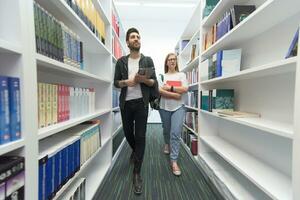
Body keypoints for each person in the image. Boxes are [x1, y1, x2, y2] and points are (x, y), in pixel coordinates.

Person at [113, 27, 157, 194]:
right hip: (126, 103)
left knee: (141, 136)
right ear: (127, 41)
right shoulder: (121, 62)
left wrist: (144, 80)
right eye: (133, 37)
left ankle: (137, 172)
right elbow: (116, 82)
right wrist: (128, 82)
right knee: (127, 133)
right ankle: (136, 151)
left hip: (141, 103)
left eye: (138, 36)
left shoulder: (148, 60)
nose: (136, 39)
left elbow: (154, 83)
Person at [158, 53, 188, 176]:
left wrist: (169, 88)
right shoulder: (162, 76)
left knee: (175, 133)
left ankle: (174, 161)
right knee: (166, 130)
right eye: (170, 59)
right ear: (166, 62)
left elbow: (185, 89)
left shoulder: (182, 75)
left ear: (176, 62)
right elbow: (159, 91)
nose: (172, 61)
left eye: (174, 59)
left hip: (178, 108)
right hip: (164, 107)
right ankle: (166, 143)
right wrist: (176, 94)